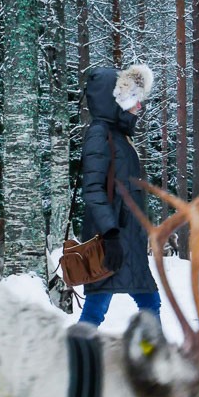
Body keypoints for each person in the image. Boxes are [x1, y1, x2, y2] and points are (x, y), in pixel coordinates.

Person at [78, 63, 161, 326]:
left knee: (149, 304)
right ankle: (73, 360)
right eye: (134, 99)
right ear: (115, 100)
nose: (139, 106)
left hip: (128, 241)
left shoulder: (120, 136)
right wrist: (111, 234)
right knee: (96, 310)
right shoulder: (100, 135)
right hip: (110, 241)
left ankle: (151, 359)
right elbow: (93, 190)